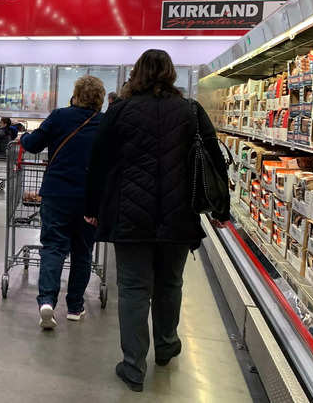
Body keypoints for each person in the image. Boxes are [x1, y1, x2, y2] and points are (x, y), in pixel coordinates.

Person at [84, 50, 229, 392]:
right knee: (169, 284)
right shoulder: (191, 111)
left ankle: (133, 367)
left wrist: (92, 205)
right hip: (179, 217)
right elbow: (214, 160)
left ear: (137, 74)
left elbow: (99, 161)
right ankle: (166, 345)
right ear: (171, 74)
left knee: (134, 290)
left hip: (131, 217)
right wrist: (222, 209)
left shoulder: (120, 110)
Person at [20, 75, 105, 329]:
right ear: (100, 99)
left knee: (54, 247)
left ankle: (46, 301)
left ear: (75, 94)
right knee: (82, 252)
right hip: (89, 199)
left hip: (57, 194)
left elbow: (33, 145)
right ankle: (75, 307)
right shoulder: (104, 123)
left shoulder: (59, 116)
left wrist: (24, 136)